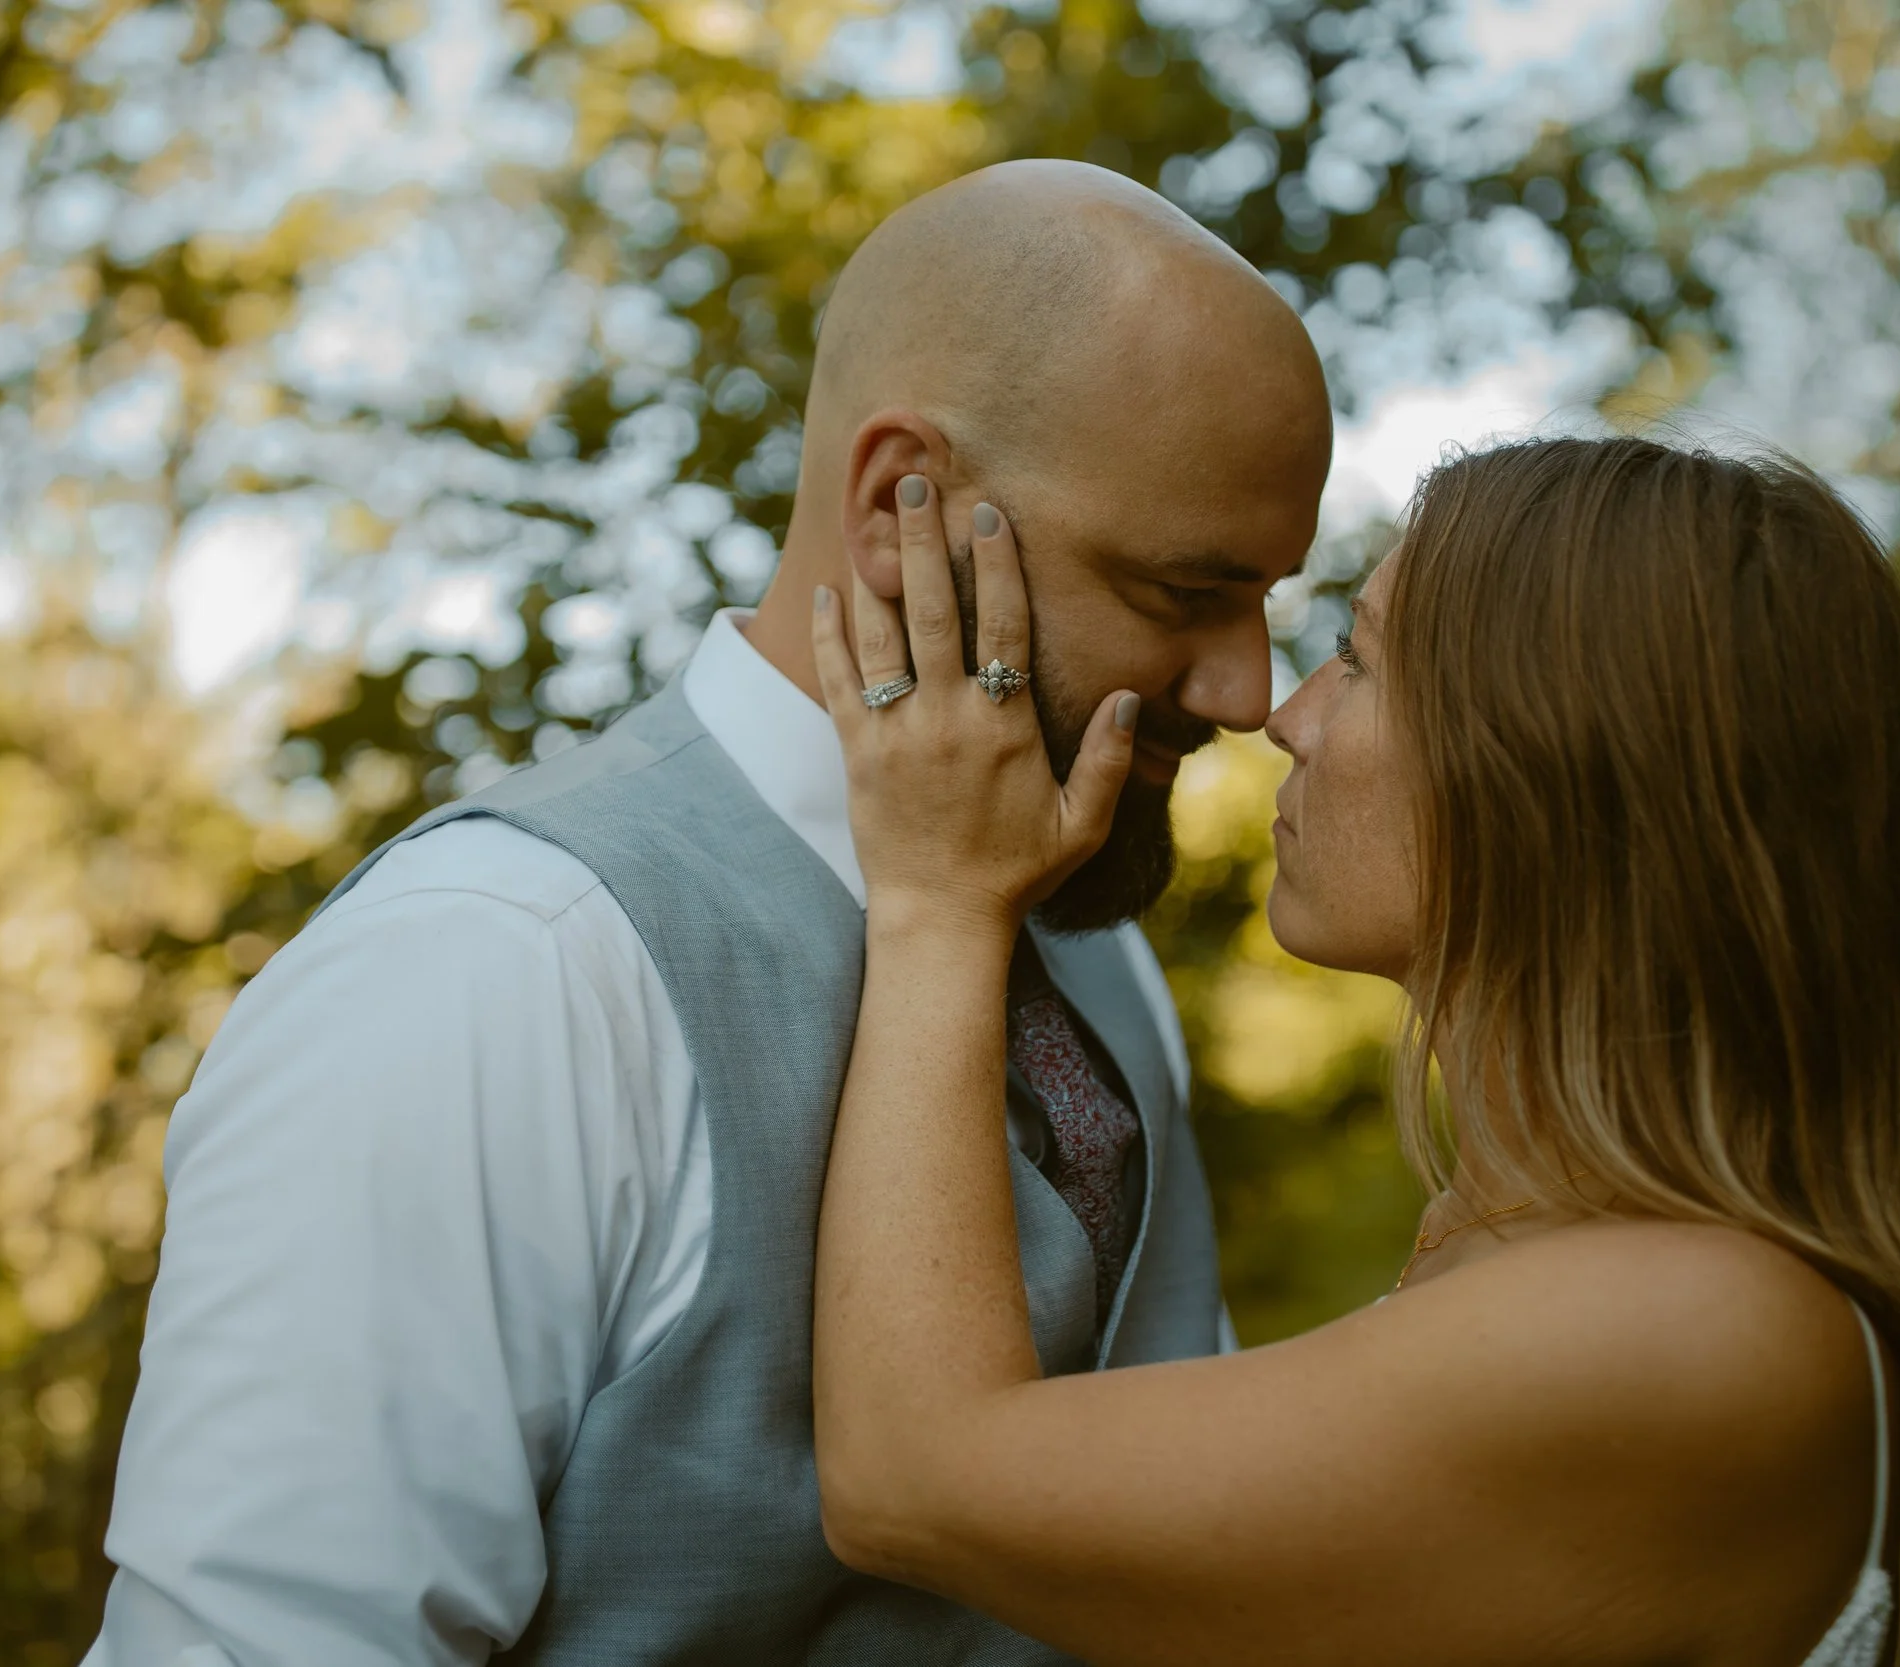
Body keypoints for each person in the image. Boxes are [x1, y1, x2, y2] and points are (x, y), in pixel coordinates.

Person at [85, 161, 1331, 1664]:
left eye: (1266, 595)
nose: (1250, 689)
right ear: (900, 507)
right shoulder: (499, 969)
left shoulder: (1098, 958)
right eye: (1182, 586)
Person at [804, 434, 1900, 1666]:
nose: (1284, 714)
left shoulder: (1685, 1320)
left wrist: (940, 900)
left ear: (1557, 758)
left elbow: (911, 1472)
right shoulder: (1561, 1243)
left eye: (1359, 658)